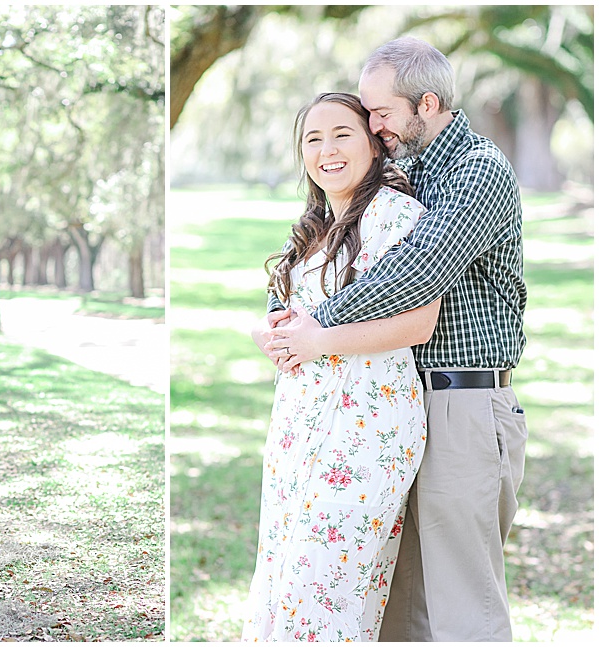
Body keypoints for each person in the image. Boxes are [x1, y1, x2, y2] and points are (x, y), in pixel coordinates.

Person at [264, 37, 528, 642]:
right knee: (397, 606)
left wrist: (318, 325)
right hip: (395, 409)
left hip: (462, 401)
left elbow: (418, 271)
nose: (372, 126)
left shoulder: (477, 170)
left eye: (380, 113)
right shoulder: (407, 177)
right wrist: (286, 318)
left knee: (464, 606)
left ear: (426, 104)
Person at [241, 92, 441, 642]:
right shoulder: (311, 230)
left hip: (367, 428)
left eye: (342, 134)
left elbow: (418, 324)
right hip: (298, 426)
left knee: (322, 588)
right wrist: (267, 333)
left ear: (374, 147)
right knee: (284, 583)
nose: (327, 149)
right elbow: (285, 316)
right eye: (313, 138)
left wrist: (320, 341)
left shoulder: (399, 217)